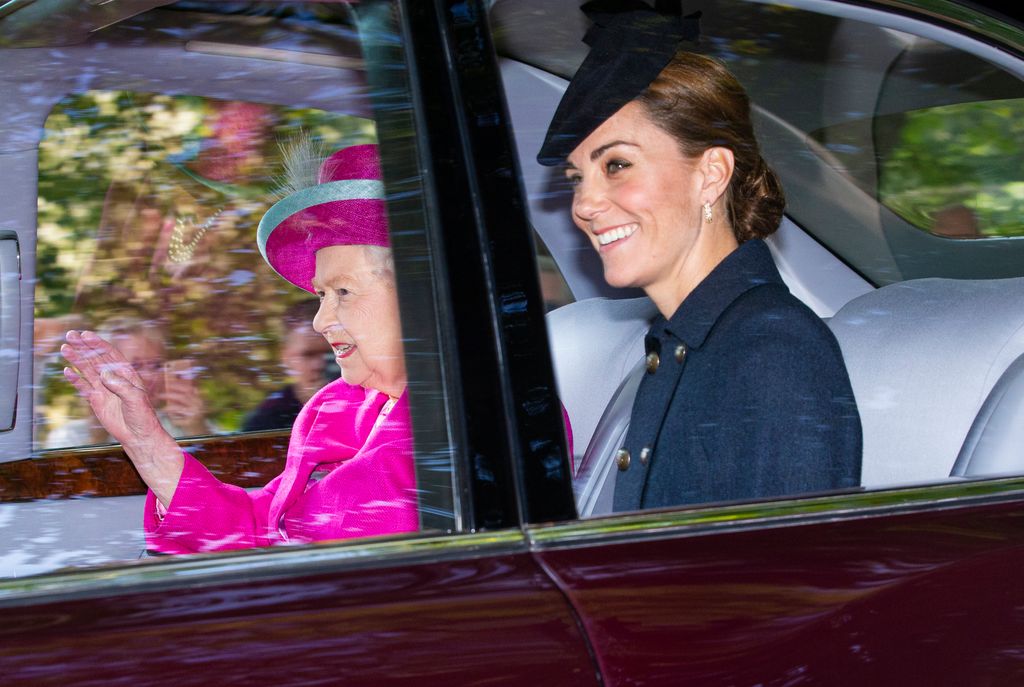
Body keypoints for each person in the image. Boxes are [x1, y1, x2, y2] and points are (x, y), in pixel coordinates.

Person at [537, 2, 862, 511]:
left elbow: (785, 580)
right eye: (578, 178)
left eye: (617, 165)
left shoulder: (772, 350)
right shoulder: (681, 339)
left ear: (710, 174)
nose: (584, 205)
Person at [61, 143, 419, 553]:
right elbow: (257, 531)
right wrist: (147, 445)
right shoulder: (337, 408)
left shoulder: (471, 420)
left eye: (343, 291)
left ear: (420, 291)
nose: (320, 322)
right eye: (321, 294)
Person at [44, 316, 212, 449]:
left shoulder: (184, 425)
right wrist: (98, 436)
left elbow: (224, 487)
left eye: (157, 365)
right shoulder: (70, 437)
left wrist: (198, 430)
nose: (150, 375)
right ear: (102, 371)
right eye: (136, 365)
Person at [241, 299, 337, 432]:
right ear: (286, 357)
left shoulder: (372, 402)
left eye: (331, 353)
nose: (319, 365)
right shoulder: (267, 419)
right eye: (308, 355)